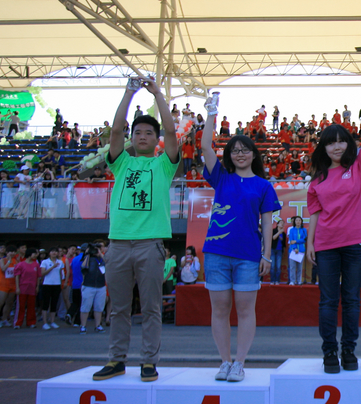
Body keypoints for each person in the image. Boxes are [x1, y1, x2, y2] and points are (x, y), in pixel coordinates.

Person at [92, 77, 180, 383]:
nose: (143, 136)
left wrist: (158, 94)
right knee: (119, 308)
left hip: (150, 245)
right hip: (118, 244)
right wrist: (129, 93)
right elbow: (116, 130)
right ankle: (116, 360)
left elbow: (172, 131)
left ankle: (148, 362)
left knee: (152, 308)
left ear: (156, 140)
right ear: (132, 138)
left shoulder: (164, 165)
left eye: (149, 133)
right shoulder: (121, 163)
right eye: (138, 132)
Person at [200, 93, 280, 382]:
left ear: (254, 154)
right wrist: (212, 112)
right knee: (220, 310)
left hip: (248, 256)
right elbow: (205, 146)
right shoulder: (221, 177)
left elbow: (268, 223)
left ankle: (240, 363)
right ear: (229, 155)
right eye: (235, 150)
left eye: (245, 150)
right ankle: (224, 361)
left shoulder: (263, 186)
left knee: (246, 311)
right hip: (217, 253)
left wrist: (266, 255)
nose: (240, 154)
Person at [306, 90, 361, 374]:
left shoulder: (359, 168)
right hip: (326, 245)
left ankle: (349, 350)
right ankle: (329, 352)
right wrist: (310, 243)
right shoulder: (317, 181)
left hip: (356, 244)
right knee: (328, 301)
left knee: (351, 300)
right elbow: (314, 214)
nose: (336, 147)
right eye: (330, 143)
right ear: (323, 148)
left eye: (341, 141)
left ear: (348, 144)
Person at [79, 243, 107, 334]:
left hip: (101, 285)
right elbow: (83, 267)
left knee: (99, 307)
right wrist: (87, 254)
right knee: (85, 306)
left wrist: (100, 254)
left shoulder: (102, 259)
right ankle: (83, 325)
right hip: (88, 285)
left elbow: (109, 263)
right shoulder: (87, 258)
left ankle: (98, 325)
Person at [13, 248, 40, 329]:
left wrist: (37, 286)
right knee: (21, 306)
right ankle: (18, 323)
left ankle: (31, 322)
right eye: (34, 253)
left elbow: (38, 276)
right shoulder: (21, 264)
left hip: (32, 288)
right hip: (23, 288)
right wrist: (17, 287)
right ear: (29, 254)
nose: (35, 255)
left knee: (31, 306)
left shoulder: (36, 264)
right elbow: (17, 276)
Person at [39, 247, 65, 330]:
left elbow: (61, 273)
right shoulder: (45, 262)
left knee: (54, 303)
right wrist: (52, 267)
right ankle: (45, 322)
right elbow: (43, 273)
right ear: (49, 253)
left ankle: (52, 321)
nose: (54, 253)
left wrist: (61, 283)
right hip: (47, 284)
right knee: (46, 303)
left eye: (56, 252)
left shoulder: (60, 262)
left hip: (57, 284)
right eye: (52, 251)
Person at [0, 245, 18, 327]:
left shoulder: (16, 261)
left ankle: (4, 319)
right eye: (10, 252)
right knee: (0, 303)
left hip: (12, 285)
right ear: (7, 252)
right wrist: (9, 261)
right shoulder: (2, 260)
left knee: (9, 303)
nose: (12, 253)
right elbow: (3, 269)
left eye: (14, 252)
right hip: (3, 285)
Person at [287, 217, 307, 285]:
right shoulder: (291, 230)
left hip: (301, 250)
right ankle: (292, 281)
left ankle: (299, 280)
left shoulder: (304, 230)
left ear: (301, 222)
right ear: (294, 222)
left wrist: (296, 241)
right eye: (296, 220)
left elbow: (304, 239)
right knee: (292, 266)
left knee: (300, 267)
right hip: (293, 250)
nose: (298, 222)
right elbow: (291, 240)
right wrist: (295, 248)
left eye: (299, 220)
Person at [270, 219, 286, 285]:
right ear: (277, 224)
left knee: (278, 266)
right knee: (272, 266)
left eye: (283, 223)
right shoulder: (273, 231)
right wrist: (279, 233)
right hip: (273, 249)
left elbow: (284, 244)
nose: (282, 224)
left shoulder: (284, 233)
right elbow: (273, 238)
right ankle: (272, 280)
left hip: (279, 250)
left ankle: (277, 280)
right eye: (281, 223)